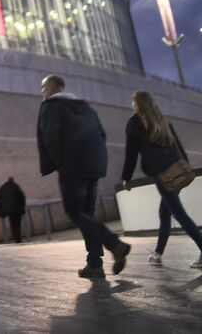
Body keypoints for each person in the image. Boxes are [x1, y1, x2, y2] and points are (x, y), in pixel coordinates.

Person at [37, 73, 131, 278]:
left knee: (75, 213)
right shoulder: (84, 107)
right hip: (93, 166)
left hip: (72, 168)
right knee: (87, 215)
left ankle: (114, 244)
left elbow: (50, 136)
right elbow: (102, 134)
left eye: (43, 87)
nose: (42, 91)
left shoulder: (51, 107)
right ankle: (95, 263)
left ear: (53, 87)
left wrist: (60, 163)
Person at [120, 90, 202, 269]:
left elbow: (131, 154)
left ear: (138, 103)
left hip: (163, 175)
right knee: (165, 213)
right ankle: (157, 254)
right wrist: (185, 166)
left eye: (133, 101)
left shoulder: (134, 122)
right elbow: (177, 145)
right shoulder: (161, 118)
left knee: (178, 213)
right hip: (176, 171)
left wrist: (126, 178)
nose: (132, 104)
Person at [0, 177, 27, 243]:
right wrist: (22, 206)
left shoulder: (3, 187)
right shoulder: (16, 186)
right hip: (17, 209)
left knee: (12, 222)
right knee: (17, 224)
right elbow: (22, 197)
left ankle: (15, 237)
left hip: (8, 210)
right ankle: (17, 238)